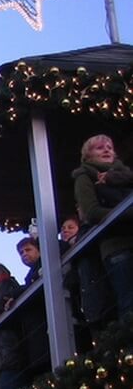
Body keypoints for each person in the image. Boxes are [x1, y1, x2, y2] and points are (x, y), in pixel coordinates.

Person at [73, 134, 133, 317]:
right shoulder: (84, 177)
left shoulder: (127, 174)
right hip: (117, 244)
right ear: (88, 155)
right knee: (129, 300)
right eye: (100, 148)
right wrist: (127, 213)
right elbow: (92, 212)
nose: (106, 150)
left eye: (109, 147)